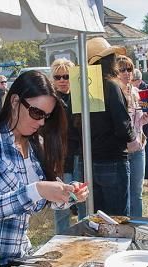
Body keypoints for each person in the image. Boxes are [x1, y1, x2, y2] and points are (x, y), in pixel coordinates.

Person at [0, 70, 88, 266]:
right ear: (15, 101)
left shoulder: (34, 143)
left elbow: (35, 202)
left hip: (17, 251)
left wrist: (67, 195)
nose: (41, 121)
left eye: (46, 116)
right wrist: (39, 188)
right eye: (36, 113)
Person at [86, 37, 135, 216]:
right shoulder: (111, 86)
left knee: (99, 219)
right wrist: (132, 136)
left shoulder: (83, 87)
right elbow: (122, 125)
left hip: (90, 161)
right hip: (113, 160)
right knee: (118, 219)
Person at [50, 58, 86, 233]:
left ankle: (84, 236)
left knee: (83, 202)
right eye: (58, 77)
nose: (62, 80)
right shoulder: (50, 101)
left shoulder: (82, 98)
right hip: (60, 157)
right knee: (61, 205)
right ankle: (61, 238)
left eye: (66, 76)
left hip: (80, 155)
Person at [117, 56, 148, 217]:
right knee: (123, 194)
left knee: (136, 194)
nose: (126, 73)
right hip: (121, 150)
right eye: (122, 69)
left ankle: (138, 227)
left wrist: (146, 117)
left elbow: (144, 119)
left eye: (129, 69)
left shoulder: (139, 93)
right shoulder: (114, 94)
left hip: (139, 148)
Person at [132, 68, 148, 188]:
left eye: (135, 80)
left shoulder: (147, 89)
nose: (133, 82)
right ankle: (140, 178)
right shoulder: (129, 90)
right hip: (136, 125)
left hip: (147, 125)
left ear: (140, 80)